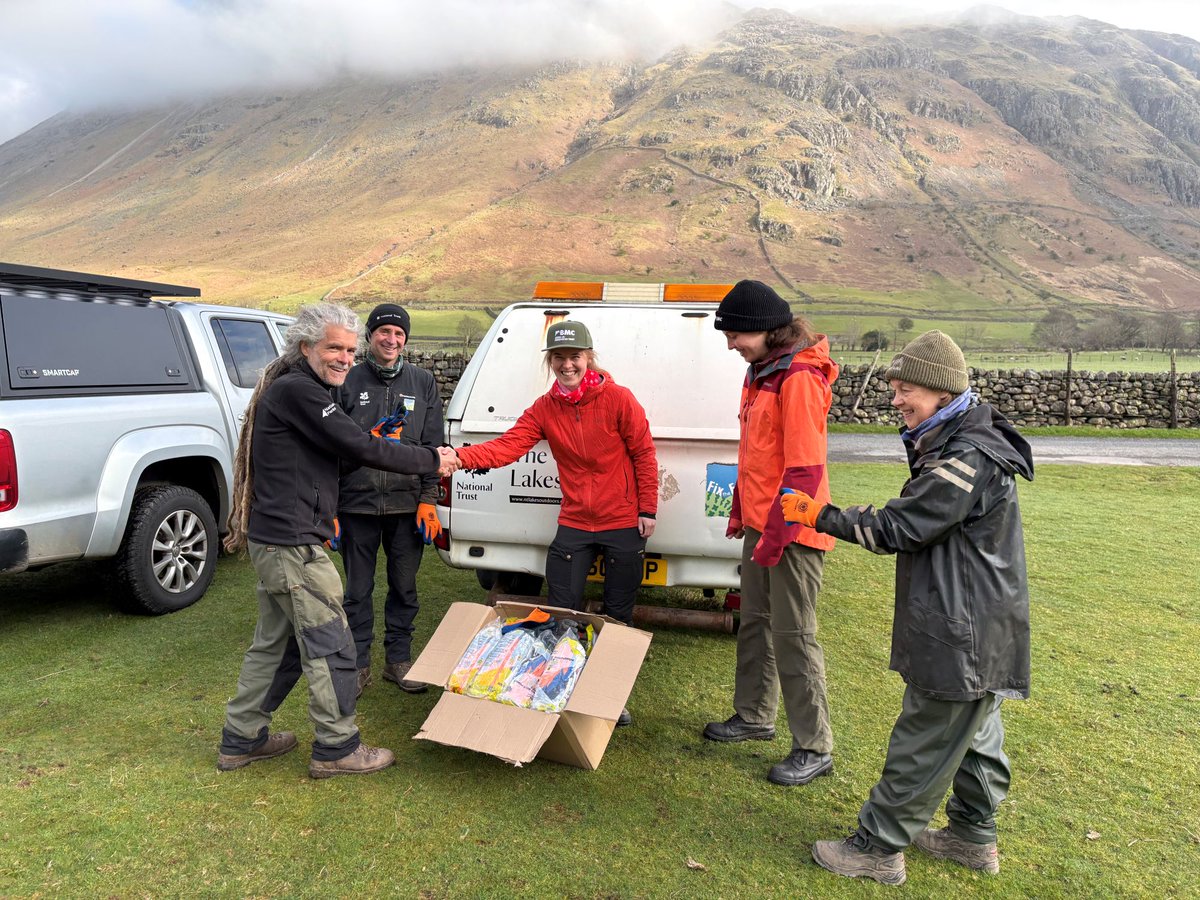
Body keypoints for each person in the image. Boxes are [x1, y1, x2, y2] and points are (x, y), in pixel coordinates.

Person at [780, 330, 1032, 885]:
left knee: (925, 734)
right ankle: (972, 836)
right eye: (894, 387)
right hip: (983, 621)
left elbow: (900, 527)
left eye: (906, 389)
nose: (895, 399)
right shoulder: (961, 441)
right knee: (975, 732)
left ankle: (877, 847)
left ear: (943, 392)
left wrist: (819, 514)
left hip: (960, 625)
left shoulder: (965, 457)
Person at [215, 302, 458, 779]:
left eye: (349, 349)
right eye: (334, 348)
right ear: (305, 347)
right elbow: (357, 447)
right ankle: (337, 747)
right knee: (332, 645)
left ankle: (241, 739)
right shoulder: (300, 392)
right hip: (293, 546)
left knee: (275, 646)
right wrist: (432, 460)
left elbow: (339, 454)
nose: (345, 358)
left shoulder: (301, 390)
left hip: (281, 541)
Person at [451, 320, 657, 726]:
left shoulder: (619, 399)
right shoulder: (545, 408)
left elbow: (644, 454)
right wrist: (460, 458)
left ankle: (609, 698)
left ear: (589, 358)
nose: (567, 365)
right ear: (551, 362)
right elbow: (509, 445)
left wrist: (647, 509)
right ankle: (563, 687)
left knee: (618, 617)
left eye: (574, 357)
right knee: (563, 611)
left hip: (621, 520)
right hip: (576, 521)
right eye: (559, 358)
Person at [701, 279, 840, 788]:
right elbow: (755, 456)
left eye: (735, 334)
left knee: (794, 635)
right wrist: (744, 514)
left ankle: (814, 745)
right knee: (755, 621)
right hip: (763, 525)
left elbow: (802, 470)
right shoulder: (762, 372)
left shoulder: (798, 376)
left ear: (763, 328)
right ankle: (755, 716)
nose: (730, 343)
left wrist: (778, 537)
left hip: (793, 532)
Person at [336, 303, 443, 697]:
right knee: (356, 591)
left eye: (399, 334)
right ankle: (358, 664)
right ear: (370, 336)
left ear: (406, 340)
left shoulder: (423, 382)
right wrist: (330, 507)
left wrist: (428, 499)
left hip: (406, 507)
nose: (391, 340)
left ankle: (398, 660)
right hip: (356, 506)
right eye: (384, 332)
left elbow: (433, 446)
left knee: (404, 588)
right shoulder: (346, 380)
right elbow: (329, 448)